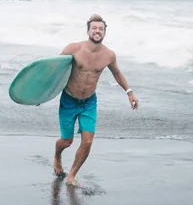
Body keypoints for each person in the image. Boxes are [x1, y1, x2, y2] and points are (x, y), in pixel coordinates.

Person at [54, 14, 139, 187]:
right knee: (67, 141)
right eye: (94, 28)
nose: (97, 31)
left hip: (89, 102)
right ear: (88, 30)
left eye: (101, 28)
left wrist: (129, 92)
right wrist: (41, 94)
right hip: (69, 100)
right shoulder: (73, 48)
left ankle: (71, 175)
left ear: (105, 32)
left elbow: (117, 73)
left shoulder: (108, 55)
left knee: (88, 141)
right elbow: (54, 69)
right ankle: (57, 156)